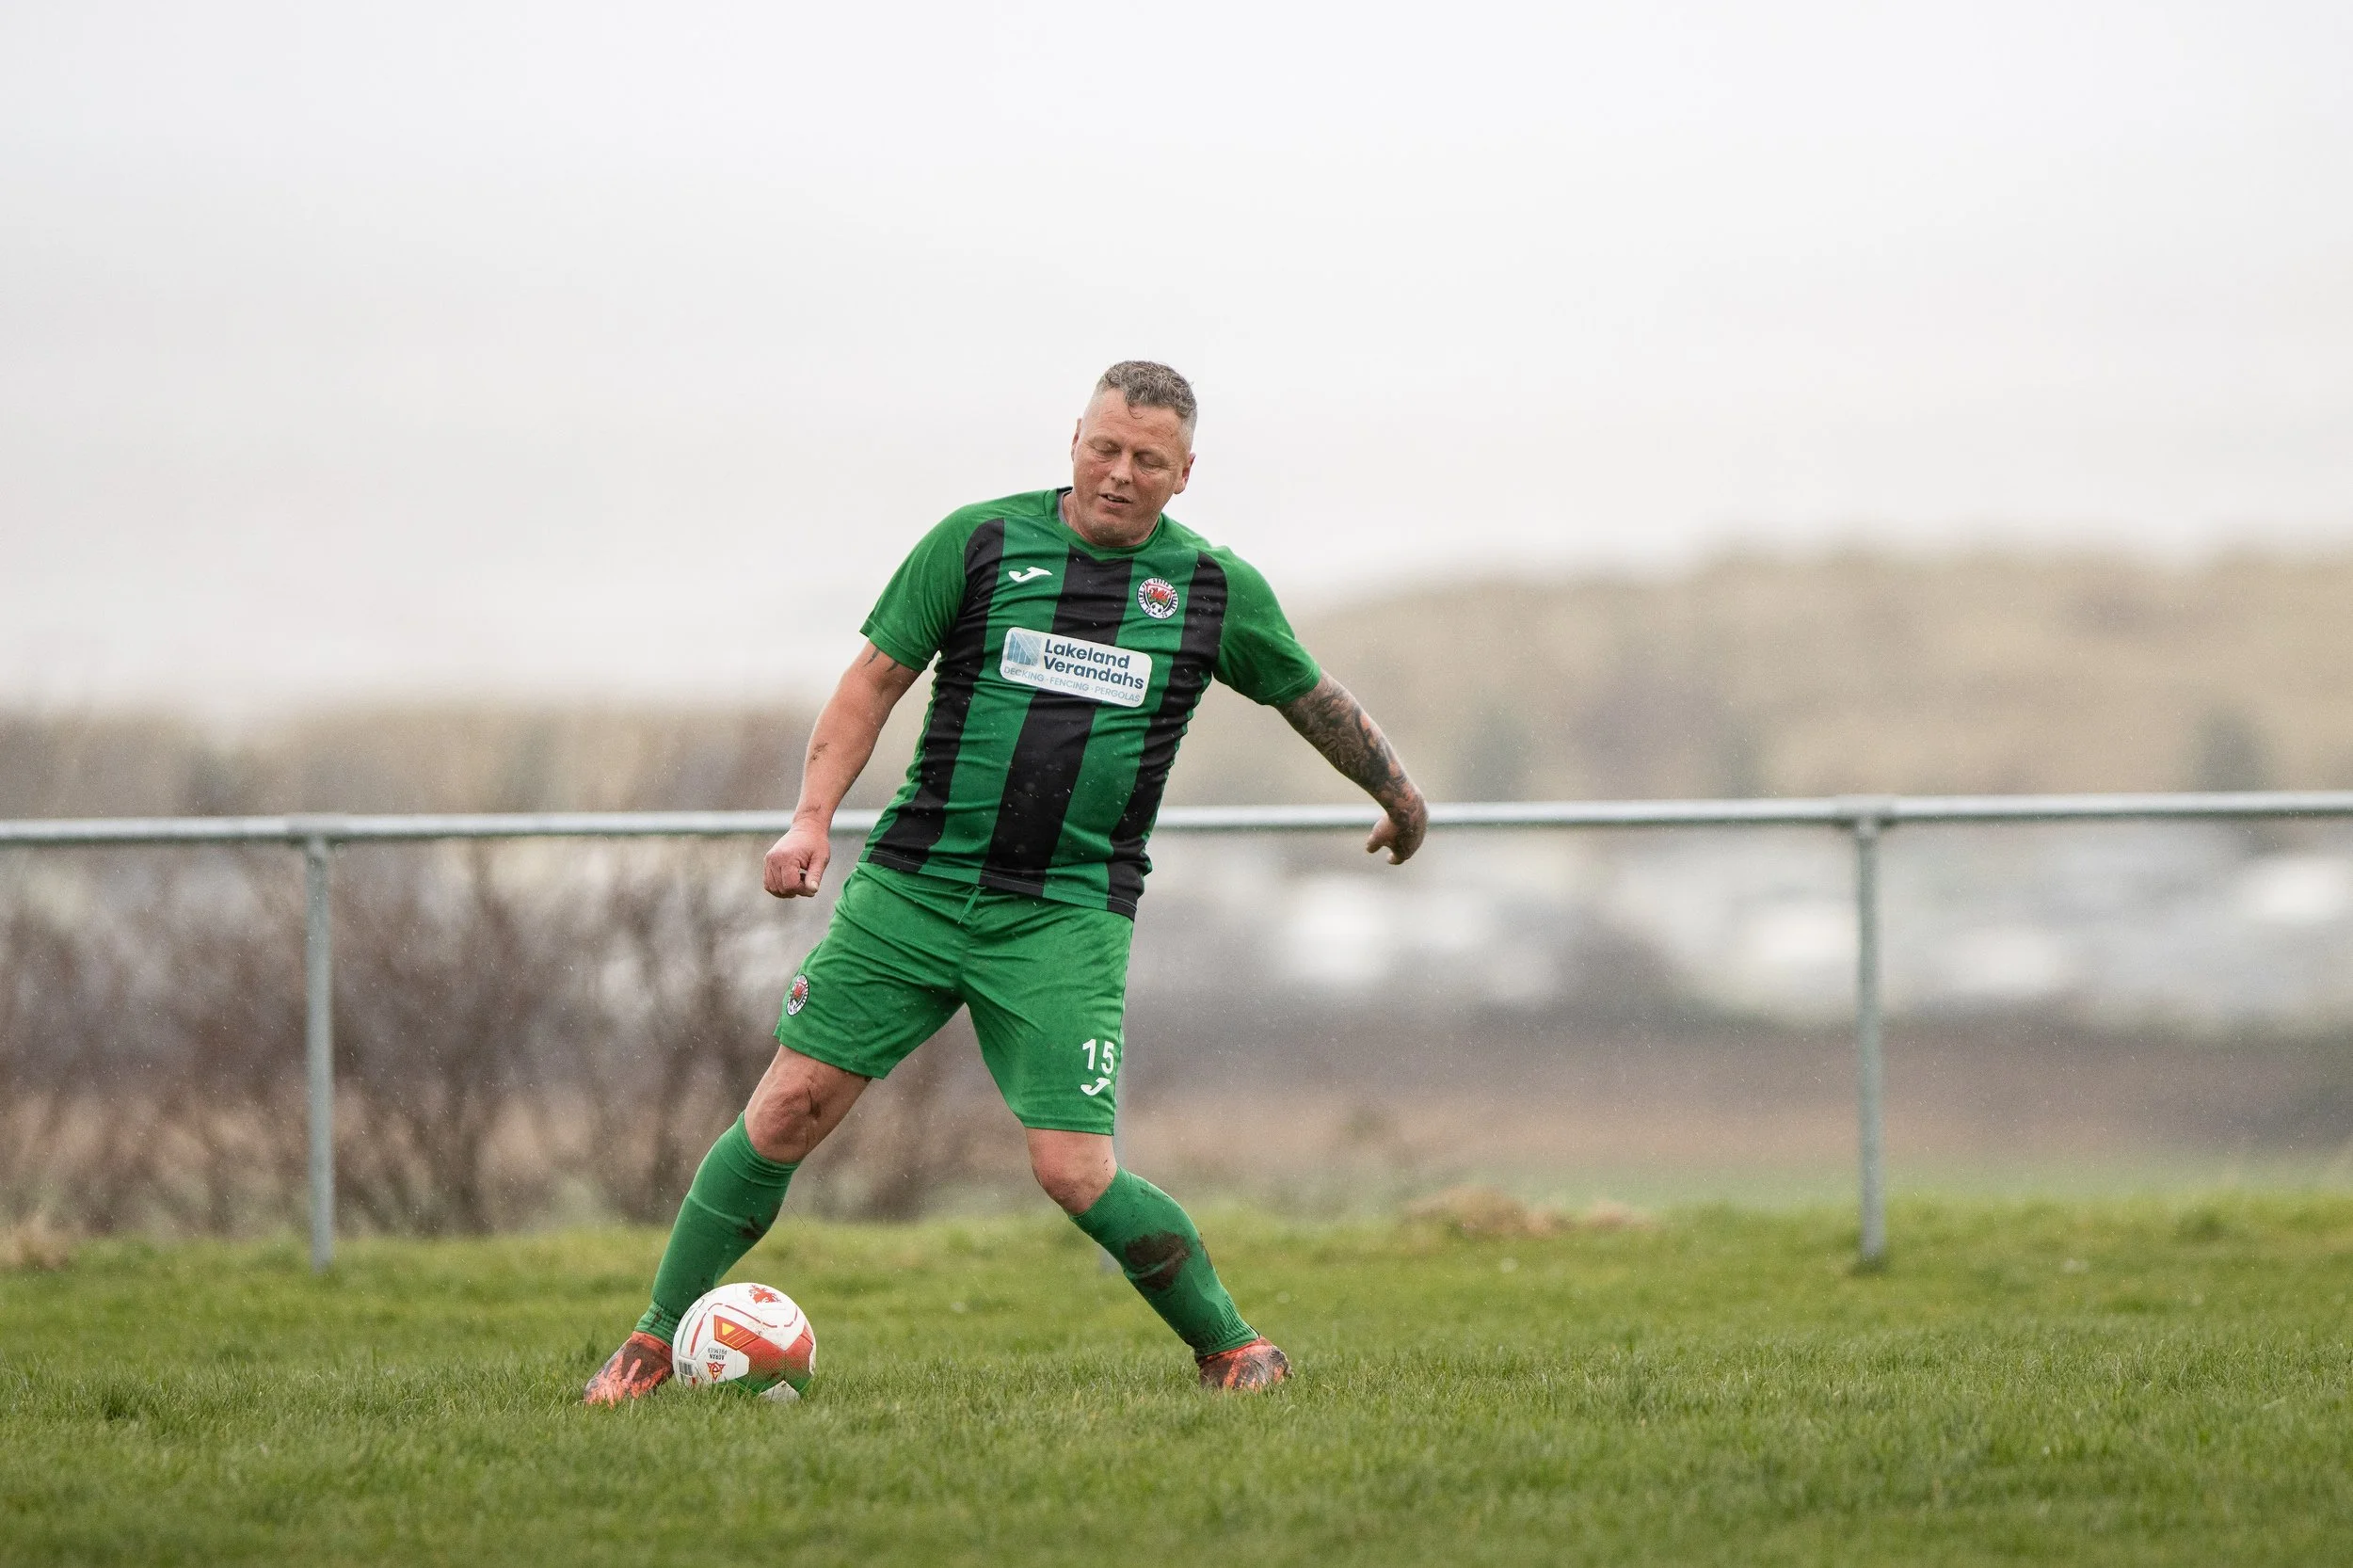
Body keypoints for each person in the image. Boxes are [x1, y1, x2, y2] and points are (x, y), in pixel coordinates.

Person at [584, 360, 1428, 1401]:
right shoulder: (979, 542)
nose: (1119, 474)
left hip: (1067, 914)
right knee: (786, 1108)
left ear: (1184, 472)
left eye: (1146, 461)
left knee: (1073, 1170)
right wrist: (810, 818)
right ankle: (652, 1342)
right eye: (1103, 448)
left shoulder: (1212, 590)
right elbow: (872, 681)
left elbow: (1312, 697)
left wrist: (1400, 795)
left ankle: (1234, 1348)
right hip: (913, 890)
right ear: (1074, 438)